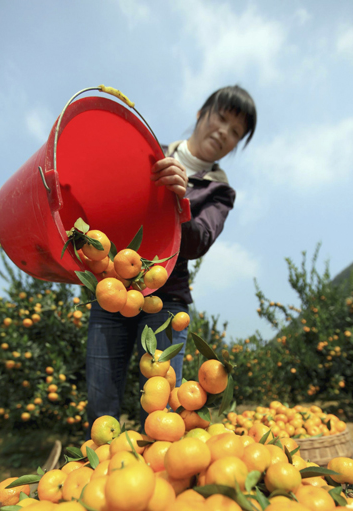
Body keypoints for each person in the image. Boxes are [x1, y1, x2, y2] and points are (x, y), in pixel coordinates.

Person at [86, 84, 257, 428]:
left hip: (166, 303)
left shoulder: (219, 190)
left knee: (159, 409)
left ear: (236, 143)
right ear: (201, 114)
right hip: (114, 288)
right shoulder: (149, 153)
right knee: (100, 400)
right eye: (221, 119)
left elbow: (199, 242)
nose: (224, 132)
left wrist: (182, 203)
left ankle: (151, 478)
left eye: (235, 131)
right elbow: (111, 200)